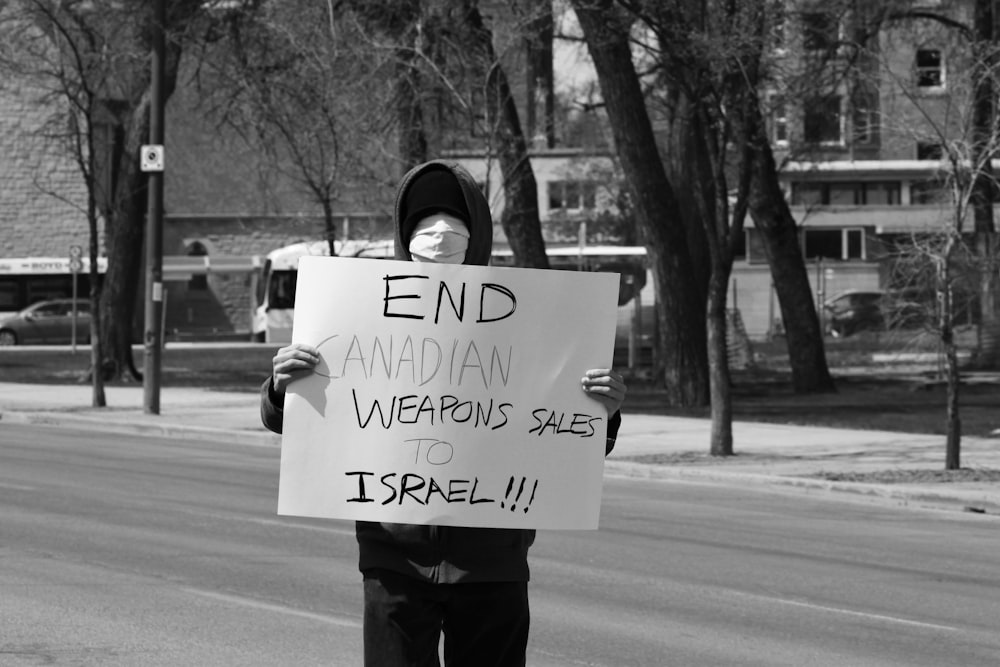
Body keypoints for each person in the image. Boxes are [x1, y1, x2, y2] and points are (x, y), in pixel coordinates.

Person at [261, 159, 626, 666]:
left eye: (453, 219)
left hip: (492, 564)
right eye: (424, 219)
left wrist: (602, 410)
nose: (439, 233)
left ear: (477, 231)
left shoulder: (530, 317)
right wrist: (282, 387)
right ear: (403, 232)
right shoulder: (356, 310)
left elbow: (568, 437)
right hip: (395, 559)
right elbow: (292, 419)